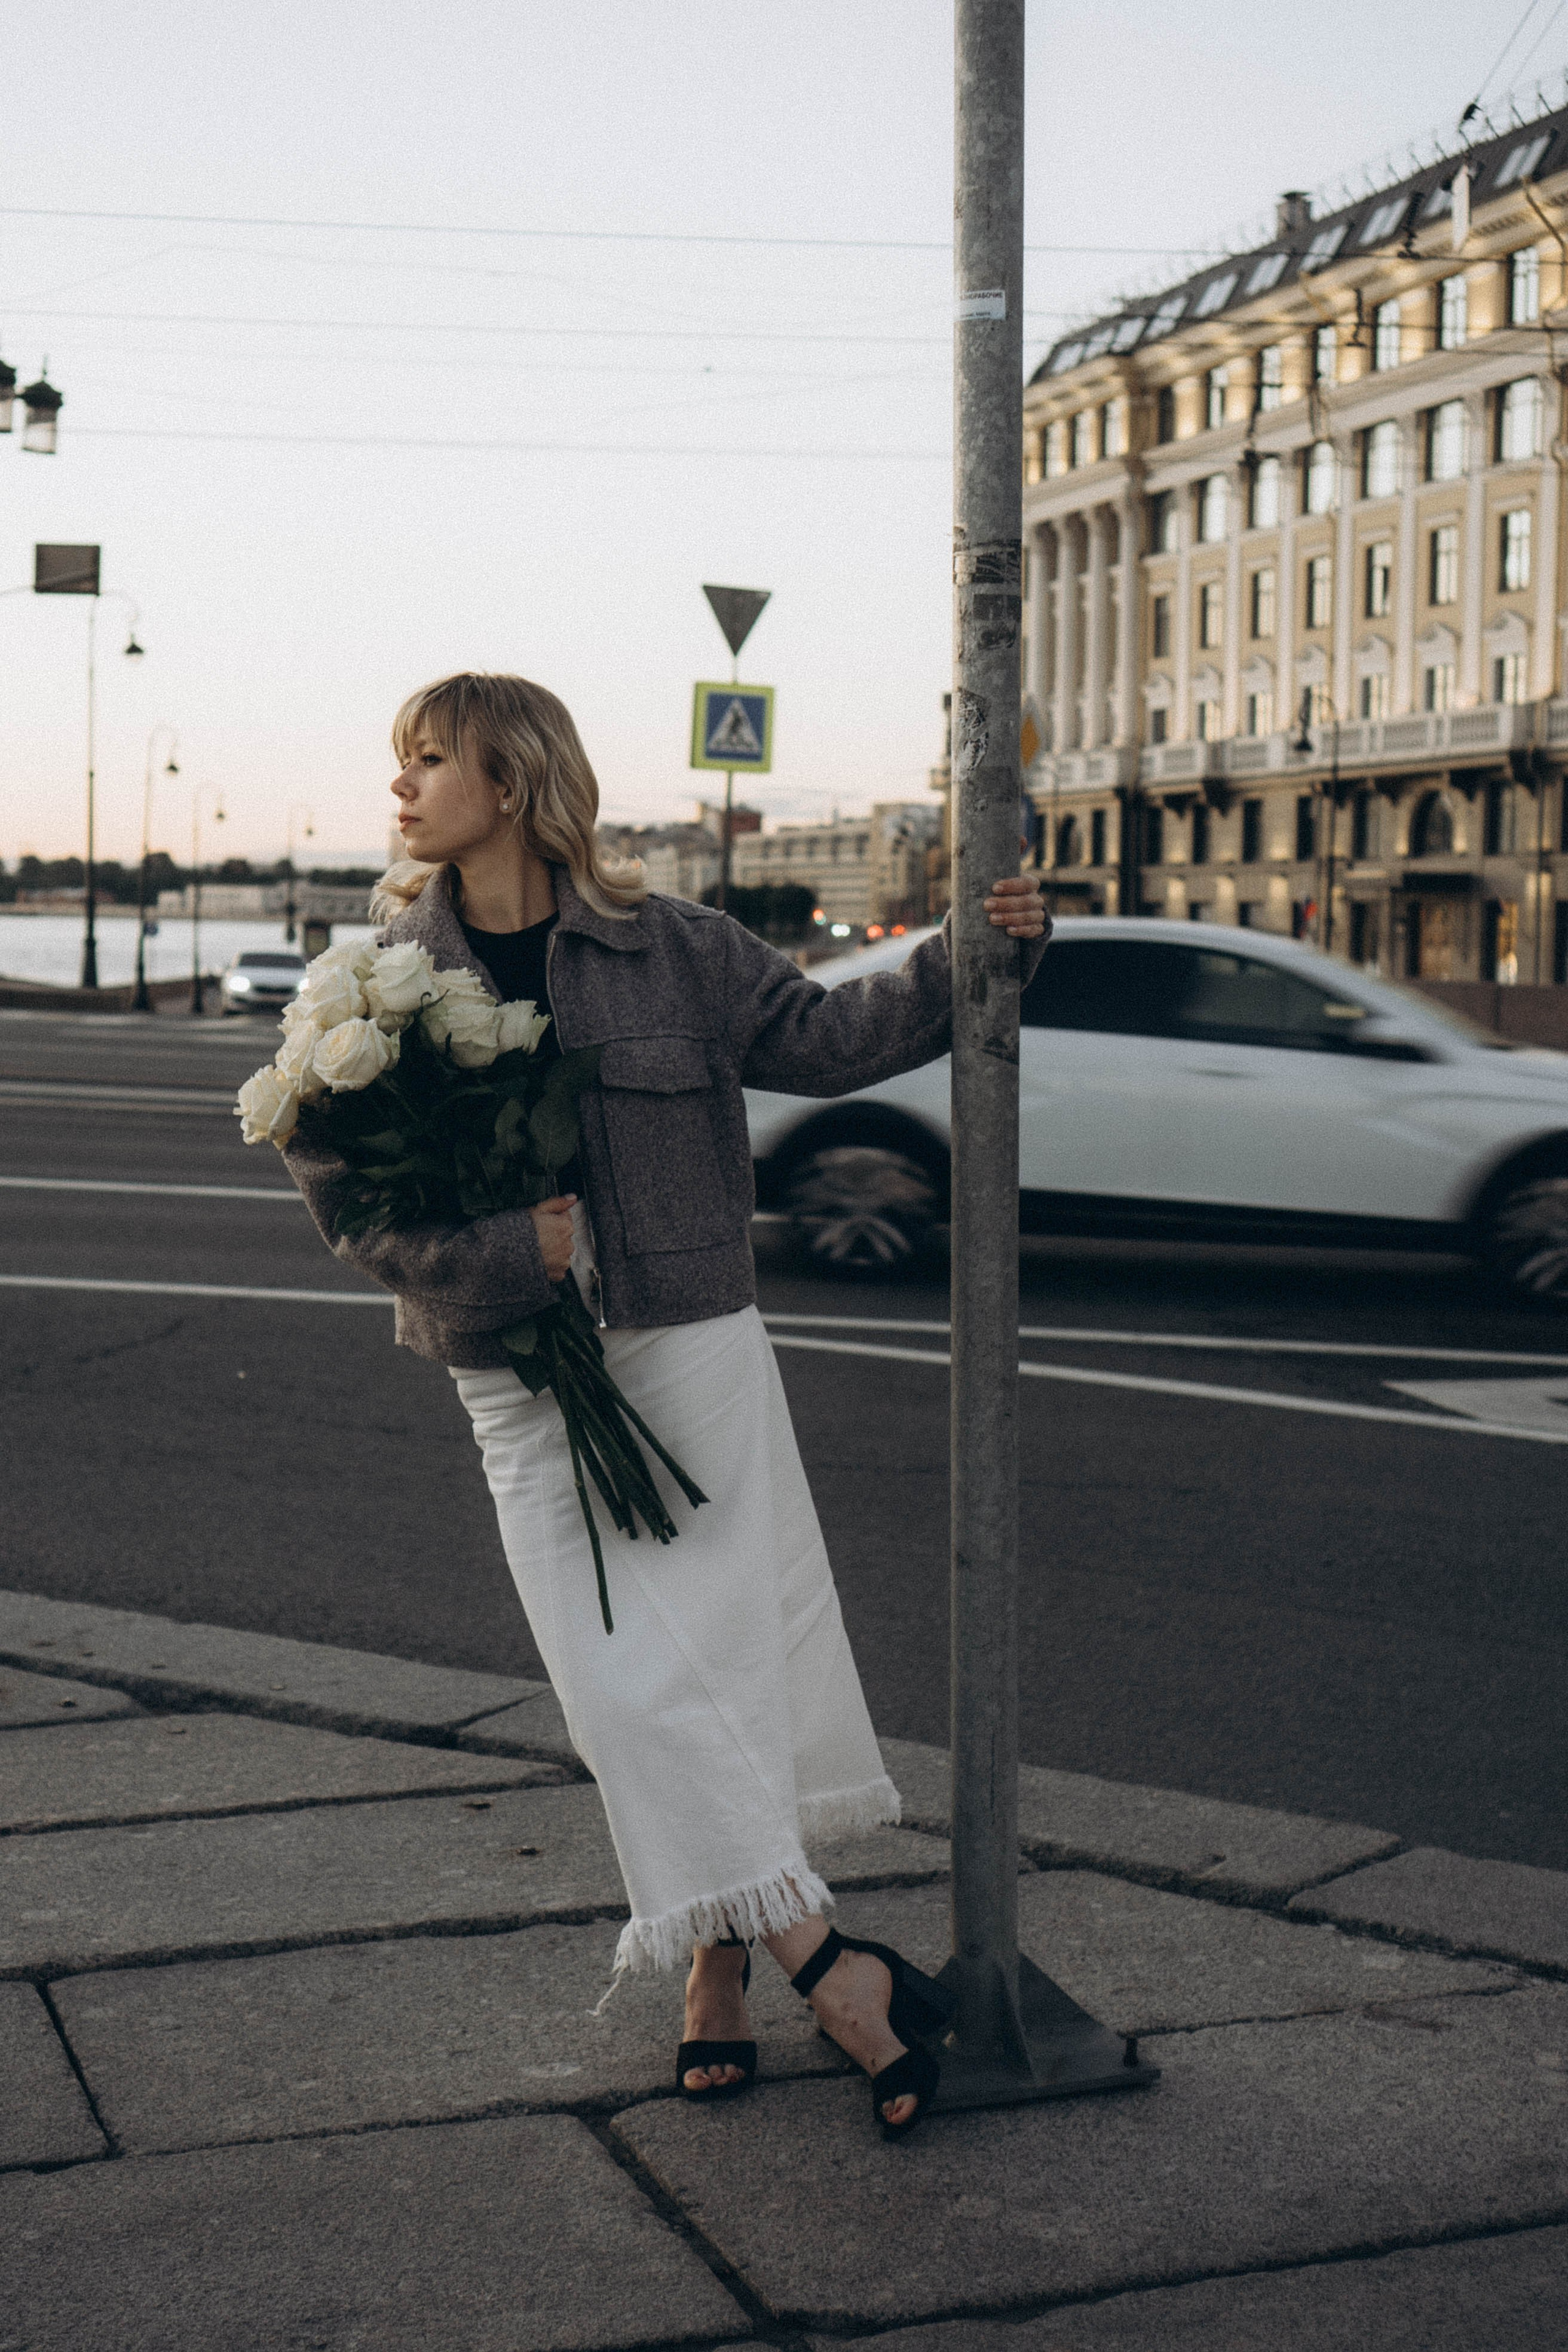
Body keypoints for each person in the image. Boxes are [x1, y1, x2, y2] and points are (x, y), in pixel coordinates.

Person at [284, 670, 1049, 2136]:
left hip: (687, 1343)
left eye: (428, 758)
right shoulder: (371, 981)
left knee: (724, 1667)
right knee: (618, 1692)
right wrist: (509, 1254)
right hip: (511, 1371)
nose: (401, 785)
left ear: (511, 781)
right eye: (402, 760)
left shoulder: (673, 947)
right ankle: (830, 1964)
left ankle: (716, 1966)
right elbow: (349, 1202)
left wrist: (982, 949)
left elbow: (833, 1040)